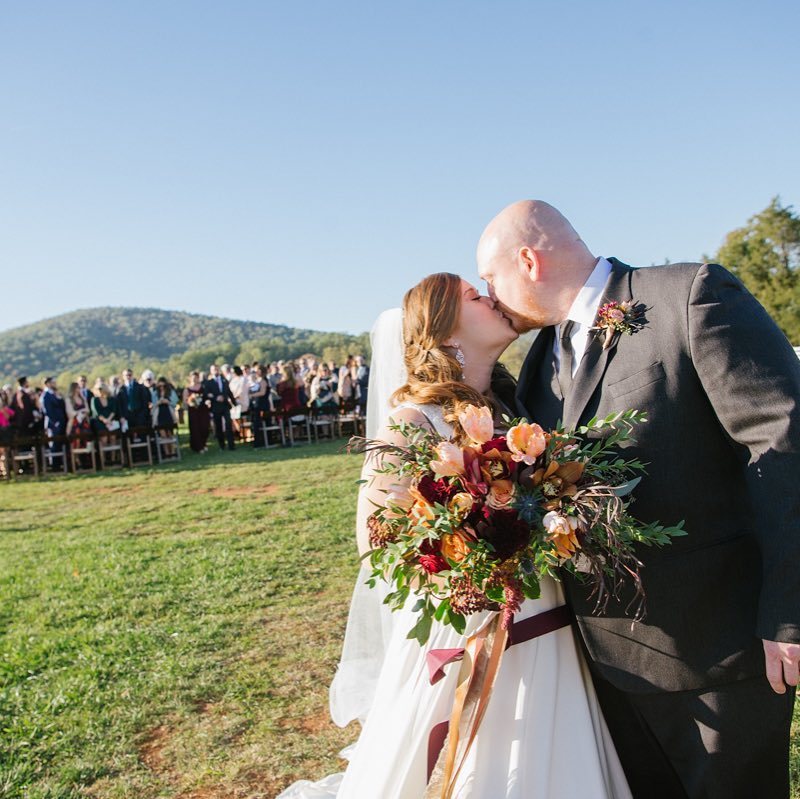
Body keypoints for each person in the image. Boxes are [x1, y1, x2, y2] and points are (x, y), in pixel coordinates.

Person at [476, 199, 800, 799]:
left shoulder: (687, 296)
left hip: (720, 651)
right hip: (611, 665)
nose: (488, 295)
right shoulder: (539, 363)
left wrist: (790, 611)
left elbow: (783, 446)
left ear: (528, 259)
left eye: (489, 279)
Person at [277, 273, 631, 799]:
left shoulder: (520, 412)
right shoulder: (412, 420)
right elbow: (376, 540)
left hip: (548, 626)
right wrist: (469, 550)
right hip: (469, 629)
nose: (491, 296)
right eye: (474, 295)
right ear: (444, 331)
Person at [203, 364, 235, 450]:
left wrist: (234, 403)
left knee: (228, 424)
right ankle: (222, 445)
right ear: (211, 371)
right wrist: (215, 397)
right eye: (214, 370)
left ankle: (231, 445)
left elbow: (229, 392)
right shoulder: (209, 383)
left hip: (225, 405)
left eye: (217, 369)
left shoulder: (224, 380)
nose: (216, 371)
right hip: (216, 407)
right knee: (218, 426)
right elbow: (206, 394)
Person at [183, 371, 210, 453]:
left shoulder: (203, 387)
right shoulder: (187, 389)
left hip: (203, 410)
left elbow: (206, 397)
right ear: (190, 378)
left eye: (196, 377)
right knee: (195, 429)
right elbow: (185, 402)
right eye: (193, 378)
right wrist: (191, 402)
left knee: (204, 427)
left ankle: (204, 443)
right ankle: (198, 447)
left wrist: (208, 401)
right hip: (193, 411)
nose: (194, 379)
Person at [90, 382, 119, 458]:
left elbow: (114, 410)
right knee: (104, 439)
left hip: (111, 421)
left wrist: (109, 420)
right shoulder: (94, 400)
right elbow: (96, 412)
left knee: (113, 438)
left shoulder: (111, 399)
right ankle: (104, 459)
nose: (99, 390)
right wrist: (105, 420)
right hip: (100, 422)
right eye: (98, 389)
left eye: (101, 389)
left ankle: (113, 458)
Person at [151, 377, 178, 456]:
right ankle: (166, 453)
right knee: (163, 435)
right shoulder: (155, 393)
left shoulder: (171, 392)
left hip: (169, 414)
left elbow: (175, 403)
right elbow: (153, 404)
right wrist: (158, 402)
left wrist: (168, 402)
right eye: (160, 386)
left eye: (163, 386)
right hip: (159, 414)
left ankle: (172, 452)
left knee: (170, 434)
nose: (162, 387)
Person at [41, 377, 67, 456]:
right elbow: (48, 411)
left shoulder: (55, 394)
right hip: (53, 424)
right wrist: (56, 422)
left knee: (60, 444)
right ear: (47, 384)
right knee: (54, 445)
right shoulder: (46, 396)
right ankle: (54, 465)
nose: (55, 384)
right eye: (53, 382)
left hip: (60, 422)